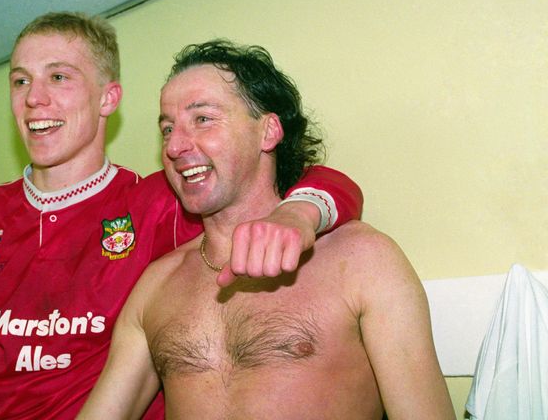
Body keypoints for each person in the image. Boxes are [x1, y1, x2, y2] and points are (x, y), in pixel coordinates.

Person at [0, 13, 363, 419]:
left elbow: (312, 182)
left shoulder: (156, 204)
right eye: (20, 80)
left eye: (59, 77)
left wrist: (300, 212)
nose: (33, 99)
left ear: (108, 98)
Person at [79, 40, 454, 419]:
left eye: (203, 119)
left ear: (269, 131)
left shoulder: (363, 261)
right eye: (167, 129)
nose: (175, 146)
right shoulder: (156, 287)